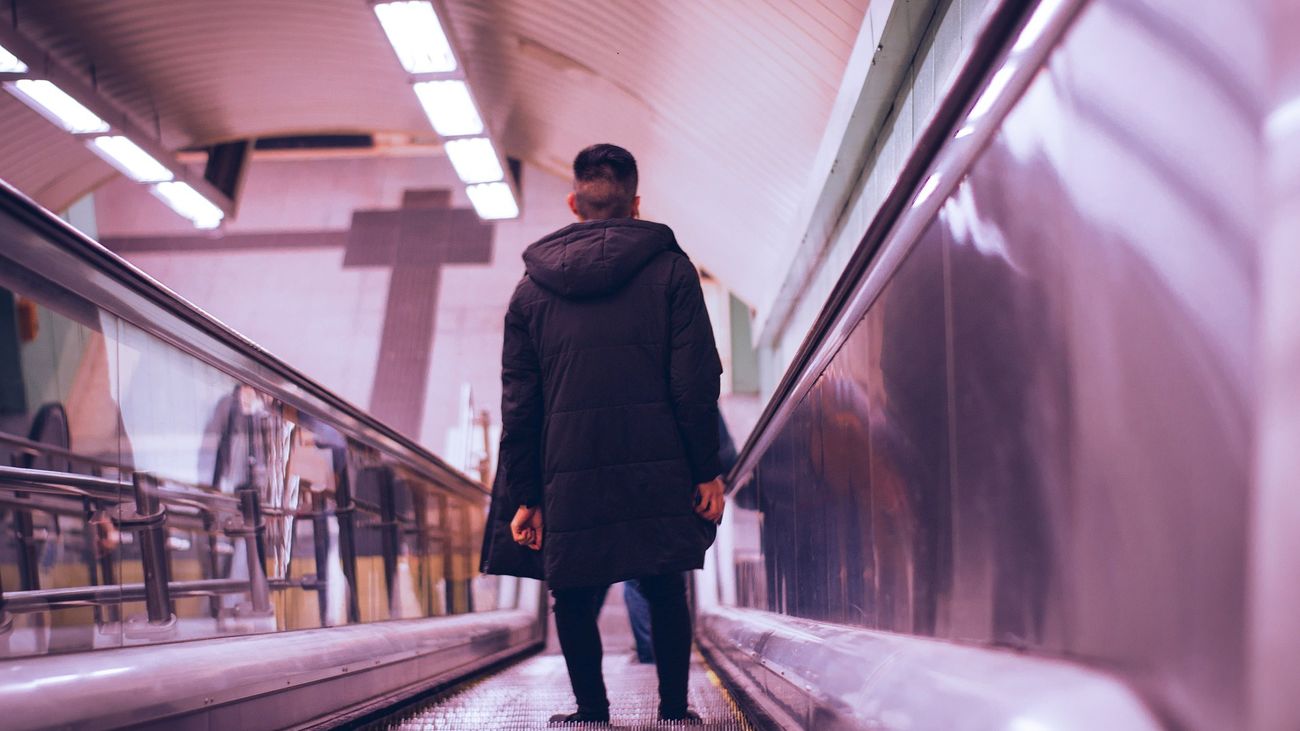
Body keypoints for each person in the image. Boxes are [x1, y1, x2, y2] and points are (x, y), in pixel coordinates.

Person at [485, 143, 726, 725]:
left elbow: (520, 405)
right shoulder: (672, 271)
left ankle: (591, 712)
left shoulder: (529, 291)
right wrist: (706, 470)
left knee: (570, 590)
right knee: (664, 585)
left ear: (573, 202)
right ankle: (673, 710)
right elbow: (695, 382)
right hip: (657, 460)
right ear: (636, 204)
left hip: (566, 467)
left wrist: (526, 495)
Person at [623, 412, 737, 665]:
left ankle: (649, 651)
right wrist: (712, 473)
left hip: (616, 483)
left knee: (632, 575)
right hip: (667, 483)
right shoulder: (670, 378)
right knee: (666, 572)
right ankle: (664, 660)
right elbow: (721, 446)